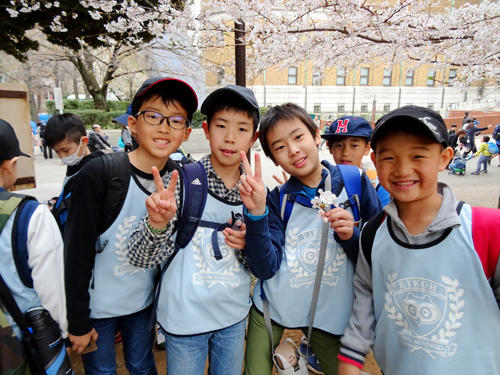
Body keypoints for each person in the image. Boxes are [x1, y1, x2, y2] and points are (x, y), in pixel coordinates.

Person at [337, 105, 500, 375]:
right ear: (375, 161)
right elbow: (367, 294)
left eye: (418, 155)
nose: (402, 169)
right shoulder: (372, 233)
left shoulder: (487, 229)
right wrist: (351, 354)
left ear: (445, 157)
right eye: (389, 158)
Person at [64, 77, 198, 375]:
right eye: (153, 116)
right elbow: (76, 250)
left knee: (141, 365)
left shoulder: (182, 179)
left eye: (176, 120)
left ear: (187, 132)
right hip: (95, 308)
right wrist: (78, 320)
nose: (164, 127)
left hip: (143, 304)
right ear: (132, 124)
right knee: (101, 371)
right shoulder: (100, 173)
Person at [239, 103, 382, 375]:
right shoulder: (277, 199)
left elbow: (378, 254)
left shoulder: (355, 182)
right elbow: (265, 268)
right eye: (279, 147)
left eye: (298, 137)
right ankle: (290, 351)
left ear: (316, 135)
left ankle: (295, 354)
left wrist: (352, 237)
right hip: (274, 304)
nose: (292, 150)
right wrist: (256, 214)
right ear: (273, 158)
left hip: (329, 310)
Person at [126, 85, 260, 375]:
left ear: (254, 137)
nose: (229, 137)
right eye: (221, 125)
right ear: (206, 129)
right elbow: (140, 259)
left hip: (233, 318)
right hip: (184, 320)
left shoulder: (257, 194)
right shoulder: (182, 182)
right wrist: (157, 224)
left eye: (242, 129)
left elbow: (260, 267)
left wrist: (251, 242)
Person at [0, 118, 67, 355]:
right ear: (11, 164)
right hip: (18, 347)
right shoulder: (30, 214)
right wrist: (61, 337)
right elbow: (51, 288)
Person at [45, 113, 104, 235]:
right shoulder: (75, 166)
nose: (62, 157)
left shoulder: (94, 170)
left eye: (66, 150)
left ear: (84, 141)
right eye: (57, 152)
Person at [322, 115, 391, 207]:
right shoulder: (323, 179)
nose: (345, 153)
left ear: (367, 148)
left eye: (354, 145)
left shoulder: (377, 183)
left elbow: (384, 218)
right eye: (339, 145)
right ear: (330, 147)